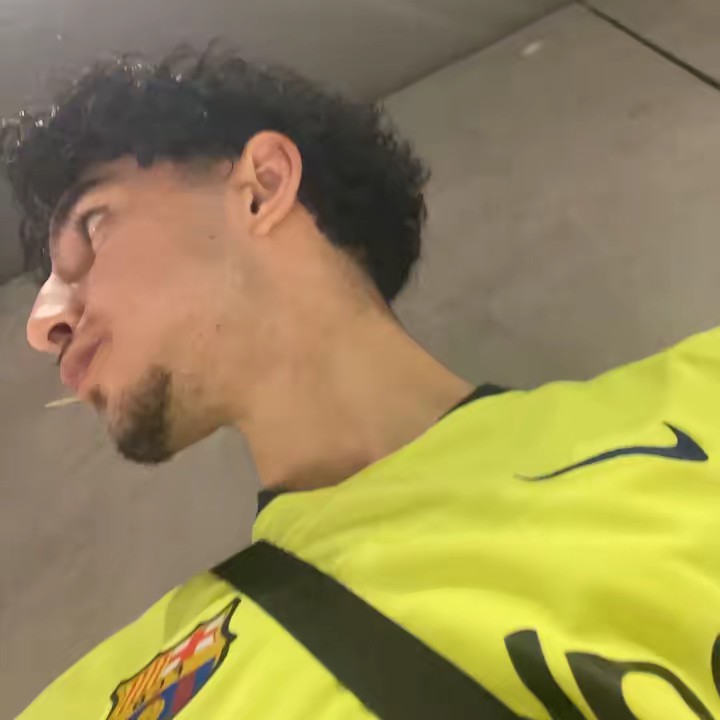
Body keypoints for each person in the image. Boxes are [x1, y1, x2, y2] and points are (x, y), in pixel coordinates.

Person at [5, 47, 720, 720]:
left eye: (91, 225)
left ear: (262, 187)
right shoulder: (100, 698)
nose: (43, 324)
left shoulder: (703, 399)